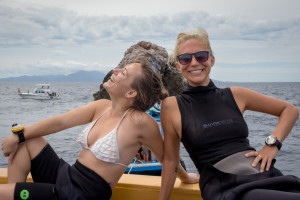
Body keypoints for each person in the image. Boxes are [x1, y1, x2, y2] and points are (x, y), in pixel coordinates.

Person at [0, 57, 198, 200]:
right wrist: (18, 137)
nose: (115, 71)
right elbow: (60, 122)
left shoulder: (140, 122)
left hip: (81, 194)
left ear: (131, 92)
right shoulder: (101, 107)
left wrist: (185, 176)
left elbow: (168, 159)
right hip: (66, 176)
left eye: (123, 73)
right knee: (27, 140)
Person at [159, 28, 300, 200]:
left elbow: (290, 110)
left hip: (263, 174)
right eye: (186, 58)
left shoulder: (236, 95)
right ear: (178, 65)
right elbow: (170, 161)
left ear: (212, 60)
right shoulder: (172, 106)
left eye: (201, 56)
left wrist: (272, 145)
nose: (194, 63)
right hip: (223, 185)